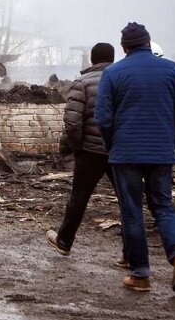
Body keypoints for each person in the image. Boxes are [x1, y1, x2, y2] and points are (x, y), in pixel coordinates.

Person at [95, 22, 175, 292]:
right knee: (163, 207)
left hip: (125, 153)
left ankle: (141, 275)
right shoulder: (173, 70)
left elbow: (103, 117)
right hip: (160, 151)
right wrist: (172, 142)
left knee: (132, 211)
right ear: (149, 43)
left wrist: (112, 144)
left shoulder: (113, 73)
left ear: (124, 47)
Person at [47, 43, 124, 263]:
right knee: (127, 201)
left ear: (92, 60)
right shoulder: (123, 81)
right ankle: (131, 253)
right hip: (119, 150)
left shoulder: (82, 83)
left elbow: (72, 122)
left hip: (90, 151)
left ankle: (64, 241)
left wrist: (75, 147)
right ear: (112, 58)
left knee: (79, 198)